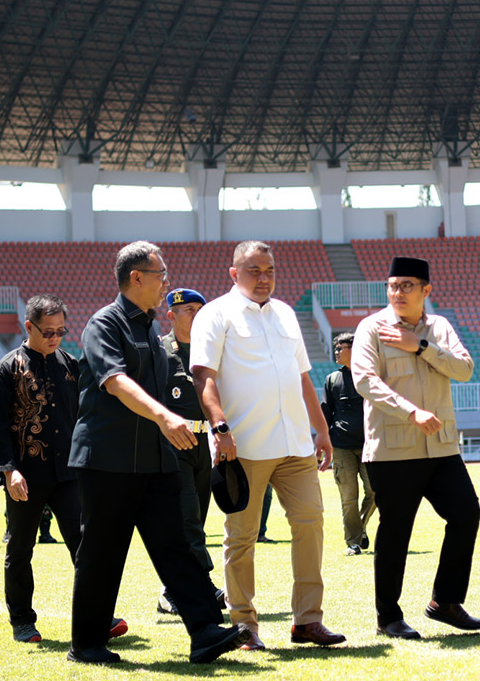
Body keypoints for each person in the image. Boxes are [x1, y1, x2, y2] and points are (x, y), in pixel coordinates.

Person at [69, 242, 246, 665]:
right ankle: (88, 644)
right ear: (136, 277)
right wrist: (166, 417)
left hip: (155, 458)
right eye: (161, 274)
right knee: (102, 552)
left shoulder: (149, 327)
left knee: (176, 544)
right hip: (108, 459)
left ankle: (205, 631)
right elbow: (115, 381)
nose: (166, 281)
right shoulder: (104, 323)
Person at [191, 240, 346, 651]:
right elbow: (203, 376)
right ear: (234, 273)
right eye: (254, 270)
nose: (264, 278)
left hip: (295, 444)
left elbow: (302, 376)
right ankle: (245, 626)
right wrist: (220, 428)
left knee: (311, 525)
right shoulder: (215, 314)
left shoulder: (287, 314)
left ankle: (308, 620)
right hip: (242, 447)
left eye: (270, 270)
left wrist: (322, 430)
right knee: (241, 538)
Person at [351, 256, 480, 640]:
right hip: (393, 450)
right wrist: (411, 412)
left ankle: (445, 602)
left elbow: (464, 369)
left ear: (426, 290)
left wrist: (421, 346)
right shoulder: (371, 328)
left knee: (466, 514)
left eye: (407, 286)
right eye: (393, 286)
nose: (398, 292)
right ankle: (388, 617)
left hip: (441, 447)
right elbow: (365, 381)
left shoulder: (439, 327)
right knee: (395, 532)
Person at [0, 294, 126, 644]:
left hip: (69, 474)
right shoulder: (8, 368)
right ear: (29, 326)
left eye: (61, 331)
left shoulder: (70, 365)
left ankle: (99, 616)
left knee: (85, 546)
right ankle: (22, 621)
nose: (55, 337)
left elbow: (85, 417)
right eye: (48, 331)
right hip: (25, 475)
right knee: (20, 549)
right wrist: (9, 471)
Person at [155, 287, 227, 615]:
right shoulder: (160, 352)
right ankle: (196, 586)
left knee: (196, 517)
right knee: (187, 519)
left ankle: (176, 588)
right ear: (171, 315)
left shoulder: (211, 351)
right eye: (190, 310)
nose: (197, 316)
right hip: (175, 445)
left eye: (201, 310)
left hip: (205, 445)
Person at [321, 332, 375, 556]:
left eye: (340, 348)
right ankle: (353, 542)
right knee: (348, 498)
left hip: (370, 446)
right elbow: (326, 413)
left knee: (376, 491)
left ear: (354, 349)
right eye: (336, 348)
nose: (336, 352)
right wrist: (323, 441)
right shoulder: (332, 379)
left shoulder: (370, 375)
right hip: (341, 446)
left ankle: (359, 529)